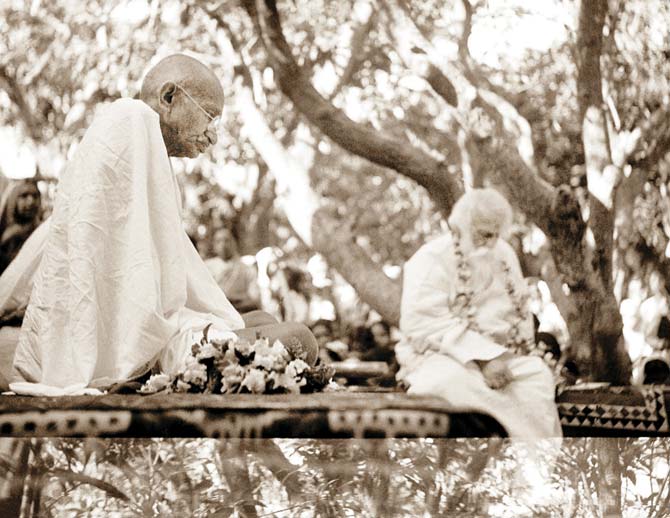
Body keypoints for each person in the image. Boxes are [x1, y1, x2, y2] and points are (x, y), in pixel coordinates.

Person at [0, 54, 317, 394]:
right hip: (133, 337)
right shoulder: (130, 119)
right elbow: (113, 277)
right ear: (169, 98)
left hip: (151, 326)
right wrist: (180, 332)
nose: (213, 136)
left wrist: (202, 321)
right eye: (210, 115)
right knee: (299, 337)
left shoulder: (143, 139)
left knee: (264, 321)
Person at [396, 188, 562, 437]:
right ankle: (481, 462)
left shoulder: (503, 254)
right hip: (444, 356)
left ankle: (529, 471)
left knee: (537, 376)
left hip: (501, 357)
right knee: (448, 383)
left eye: (496, 234)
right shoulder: (430, 259)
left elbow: (519, 314)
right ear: (459, 226)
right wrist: (483, 358)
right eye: (483, 234)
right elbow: (422, 324)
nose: (491, 243)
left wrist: (507, 354)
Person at [205, 227, 262, 313]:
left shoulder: (247, 269)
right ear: (214, 245)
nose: (223, 245)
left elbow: (254, 299)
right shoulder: (206, 267)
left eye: (226, 240)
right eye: (218, 241)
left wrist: (233, 302)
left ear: (234, 242)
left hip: (240, 314)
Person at [0, 180, 42, 274]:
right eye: (24, 195)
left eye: (35, 196)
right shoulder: (5, 234)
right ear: (13, 200)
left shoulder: (42, 233)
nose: (31, 202)